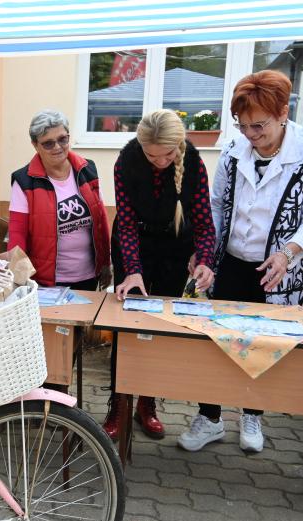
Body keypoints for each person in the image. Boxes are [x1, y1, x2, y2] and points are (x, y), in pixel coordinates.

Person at [178, 70, 303, 454]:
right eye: (243, 125)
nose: (250, 134)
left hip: (282, 271)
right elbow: (216, 205)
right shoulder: (233, 152)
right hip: (232, 262)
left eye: (259, 125)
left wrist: (288, 252)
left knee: (266, 344)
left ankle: (252, 415)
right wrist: (204, 248)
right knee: (218, 340)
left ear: (283, 113)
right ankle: (210, 417)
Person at [106, 109, 216, 441]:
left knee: (160, 327)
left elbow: (203, 220)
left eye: (167, 155)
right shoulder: (126, 161)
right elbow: (124, 222)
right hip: (132, 242)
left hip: (174, 244)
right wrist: (134, 272)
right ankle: (118, 405)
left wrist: (206, 260)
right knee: (127, 327)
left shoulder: (193, 161)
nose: (160, 162)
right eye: (152, 155)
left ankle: (147, 404)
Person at [8, 109, 111, 291]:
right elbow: (17, 235)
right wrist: (18, 279)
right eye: (48, 143)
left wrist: (105, 263)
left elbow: (101, 220)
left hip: (88, 276)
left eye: (63, 139)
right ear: (35, 145)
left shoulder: (87, 169)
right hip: (45, 281)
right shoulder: (24, 181)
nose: (57, 147)